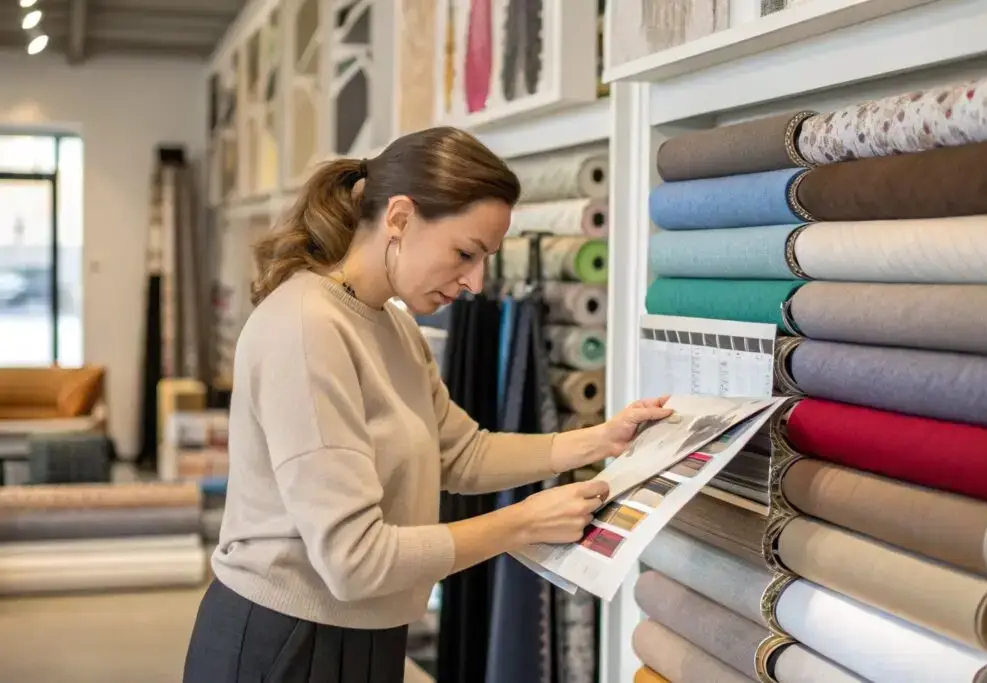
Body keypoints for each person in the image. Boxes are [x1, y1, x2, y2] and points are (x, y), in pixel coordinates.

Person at [183, 126, 671, 683]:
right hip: (285, 641)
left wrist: (601, 439)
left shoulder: (392, 324)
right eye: (465, 253)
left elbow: (462, 455)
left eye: (485, 258)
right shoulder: (306, 328)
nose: (474, 282)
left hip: (363, 632)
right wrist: (522, 524)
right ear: (399, 218)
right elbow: (354, 560)